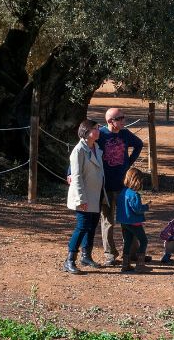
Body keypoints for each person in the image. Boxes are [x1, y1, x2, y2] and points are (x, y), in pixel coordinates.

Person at [96, 107, 144, 266]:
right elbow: (83, 150)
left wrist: (129, 162)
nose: (124, 121)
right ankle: (110, 254)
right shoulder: (100, 135)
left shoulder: (125, 134)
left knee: (128, 220)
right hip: (106, 186)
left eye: (124, 117)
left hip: (123, 186)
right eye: (120, 118)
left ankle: (132, 253)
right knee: (108, 221)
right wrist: (70, 172)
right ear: (110, 121)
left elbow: (139, 144)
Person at [64, 119, 106, 275]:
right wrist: (81, 199)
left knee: (92, 226)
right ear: (87, 132)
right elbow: (76, 176)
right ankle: (69, 260)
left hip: (96, 195)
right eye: (96, 128)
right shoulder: (79, 150)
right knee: (81, 227)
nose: (98, 130)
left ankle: (86, 256)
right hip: (84, 196)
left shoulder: (96, 147)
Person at [116, 167, 151, 272]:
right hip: (134, 222)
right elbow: (137, 209)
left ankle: (125, 264)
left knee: (127, 241)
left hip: (124, 221)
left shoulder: (123, 192)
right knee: (144, 241)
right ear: (137, 180)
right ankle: (140, 265)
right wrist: (146, 206)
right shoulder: (134, 195)